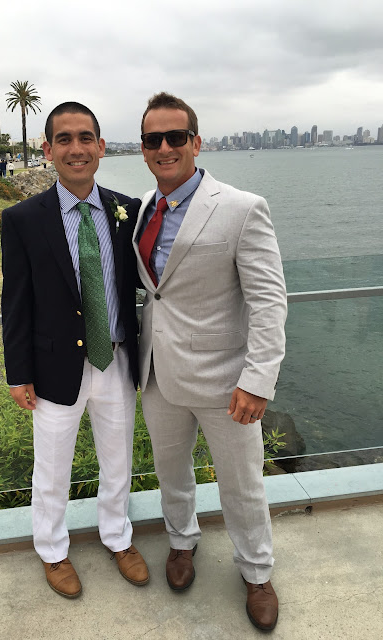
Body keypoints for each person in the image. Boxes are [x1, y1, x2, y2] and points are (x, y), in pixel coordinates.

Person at [133, 92, 287, 632]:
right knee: (170, 470)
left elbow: (269, 301)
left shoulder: (242, 208)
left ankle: (257, 571)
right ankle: (181, 541)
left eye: (176, 137)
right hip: (158, 373)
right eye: (154, 139)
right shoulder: (143, 208)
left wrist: (258, 379)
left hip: (227, 382)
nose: (165, 148)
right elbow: (155, 292)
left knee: (242, 484)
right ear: (143, 149)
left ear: (196, 142)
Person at [1, 101, 148, 599]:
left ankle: (118, 537)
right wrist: (18, 372)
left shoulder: (128, 210)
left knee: (118, 459)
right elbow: (15, 302)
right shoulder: (23, 219)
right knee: (52, 466)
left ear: (101, 147)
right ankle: (52, 550)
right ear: (48, 150)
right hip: (53, 367)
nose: (76, 148)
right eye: (64, 139)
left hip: (117, 358)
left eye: (85, 138)